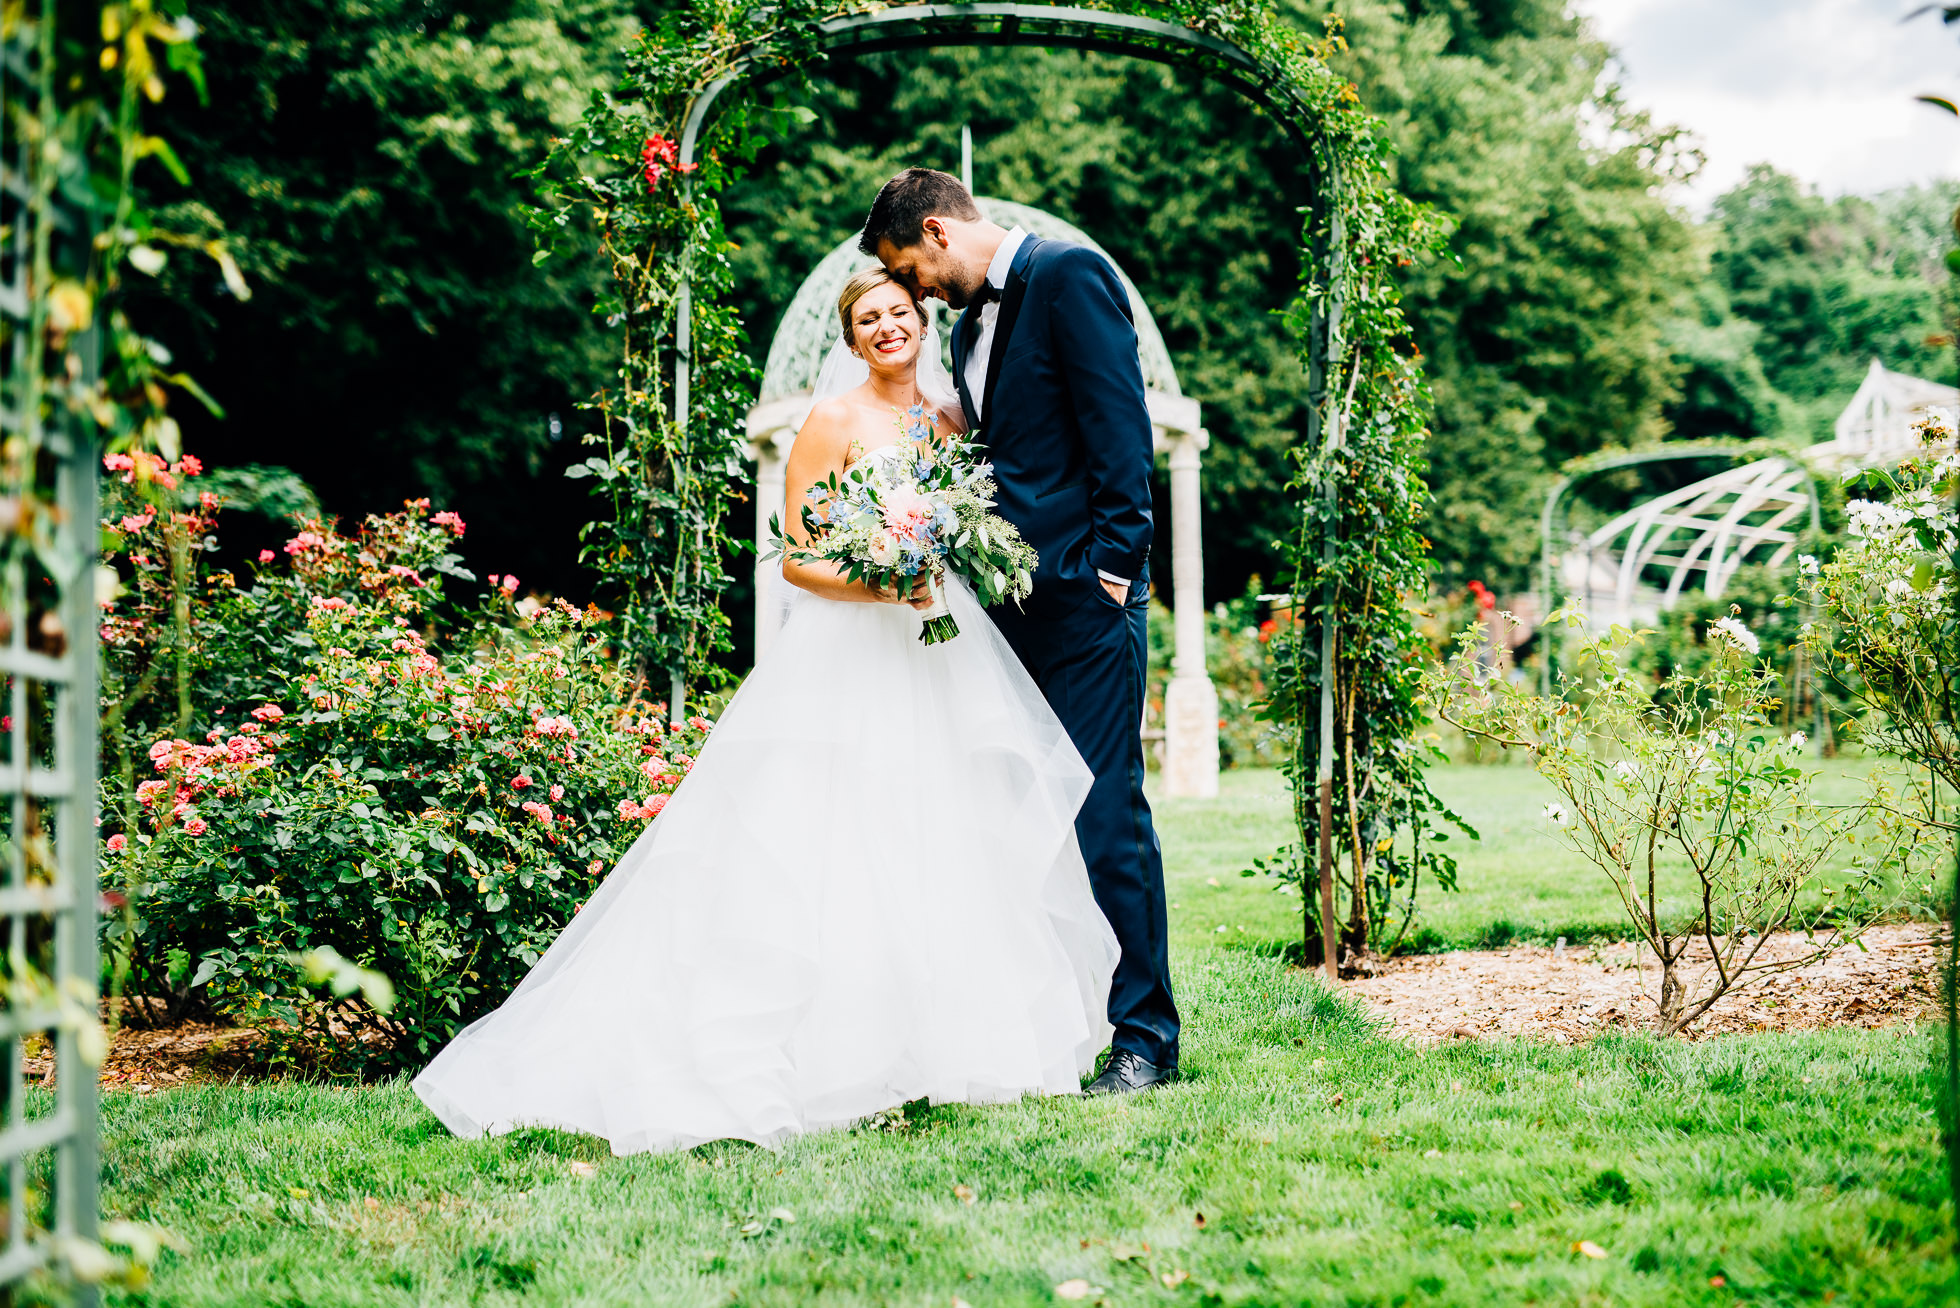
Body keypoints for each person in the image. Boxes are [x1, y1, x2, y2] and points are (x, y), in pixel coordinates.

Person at [411, 267, 1119, 1156]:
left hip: (942, 648)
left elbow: (973, 519)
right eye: (870, 319)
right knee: (827, 843)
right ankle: (814, 1050)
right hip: (850, 655)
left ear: (921, 320)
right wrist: (886, 577)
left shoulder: (949, 423)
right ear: (852, 339)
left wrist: (937, 565)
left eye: (899, 311)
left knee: (940, 831)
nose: (888, 326)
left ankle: (943, 1040)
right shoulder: (831, 421)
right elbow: (796, 559)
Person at [863, 168, 1180, 1095]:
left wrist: (1112, 572)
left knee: (1105, 812)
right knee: (1026, 817)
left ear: (935, 230)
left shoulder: (1072, 275)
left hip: (1087, 599)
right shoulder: (967, 326)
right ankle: (1067, 1020)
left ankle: (1146, 1037)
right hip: (1007, 607)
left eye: (908, 270)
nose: (912, 292)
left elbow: (1121, 438)